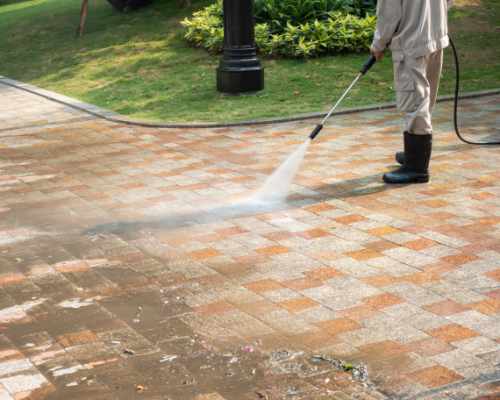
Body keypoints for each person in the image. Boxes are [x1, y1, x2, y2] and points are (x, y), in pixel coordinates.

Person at [370, 0, 454, 184]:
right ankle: (415, 154)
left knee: (416, 103)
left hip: (412, 44)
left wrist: (378, 44)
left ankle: (417, 168)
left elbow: (389, 14)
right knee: (425, 99)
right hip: (435, 38)